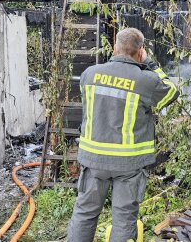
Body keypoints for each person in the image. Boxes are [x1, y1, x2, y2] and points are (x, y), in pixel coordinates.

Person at [67, 28, 179, 242]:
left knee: (85, 213)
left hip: (94, 161)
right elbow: (171, 92)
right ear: (140, 51)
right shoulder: (145, 80)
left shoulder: (89, 74)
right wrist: (151, 64)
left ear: (114, 47)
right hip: (128, 164)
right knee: (124, 219)